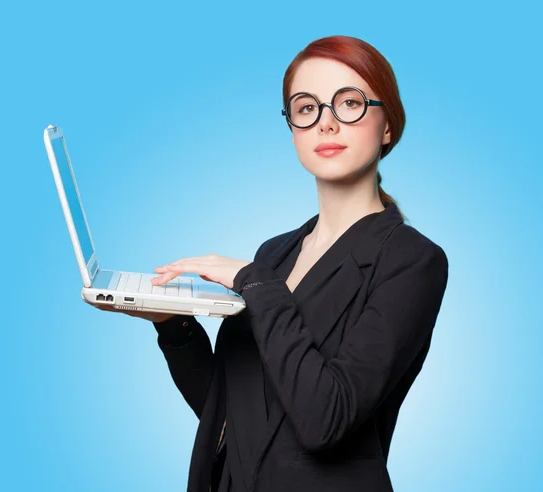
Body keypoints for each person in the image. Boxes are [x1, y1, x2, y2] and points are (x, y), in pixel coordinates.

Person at [90, 35, 449, 492]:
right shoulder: (276, 253)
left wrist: (253, 284)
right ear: (293, 128)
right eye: (306, 108)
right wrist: (172, 325)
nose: (326, 124)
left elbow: (325, 420)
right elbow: (234, 418)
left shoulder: (413, 262)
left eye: (350, 103)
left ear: (387, 126)